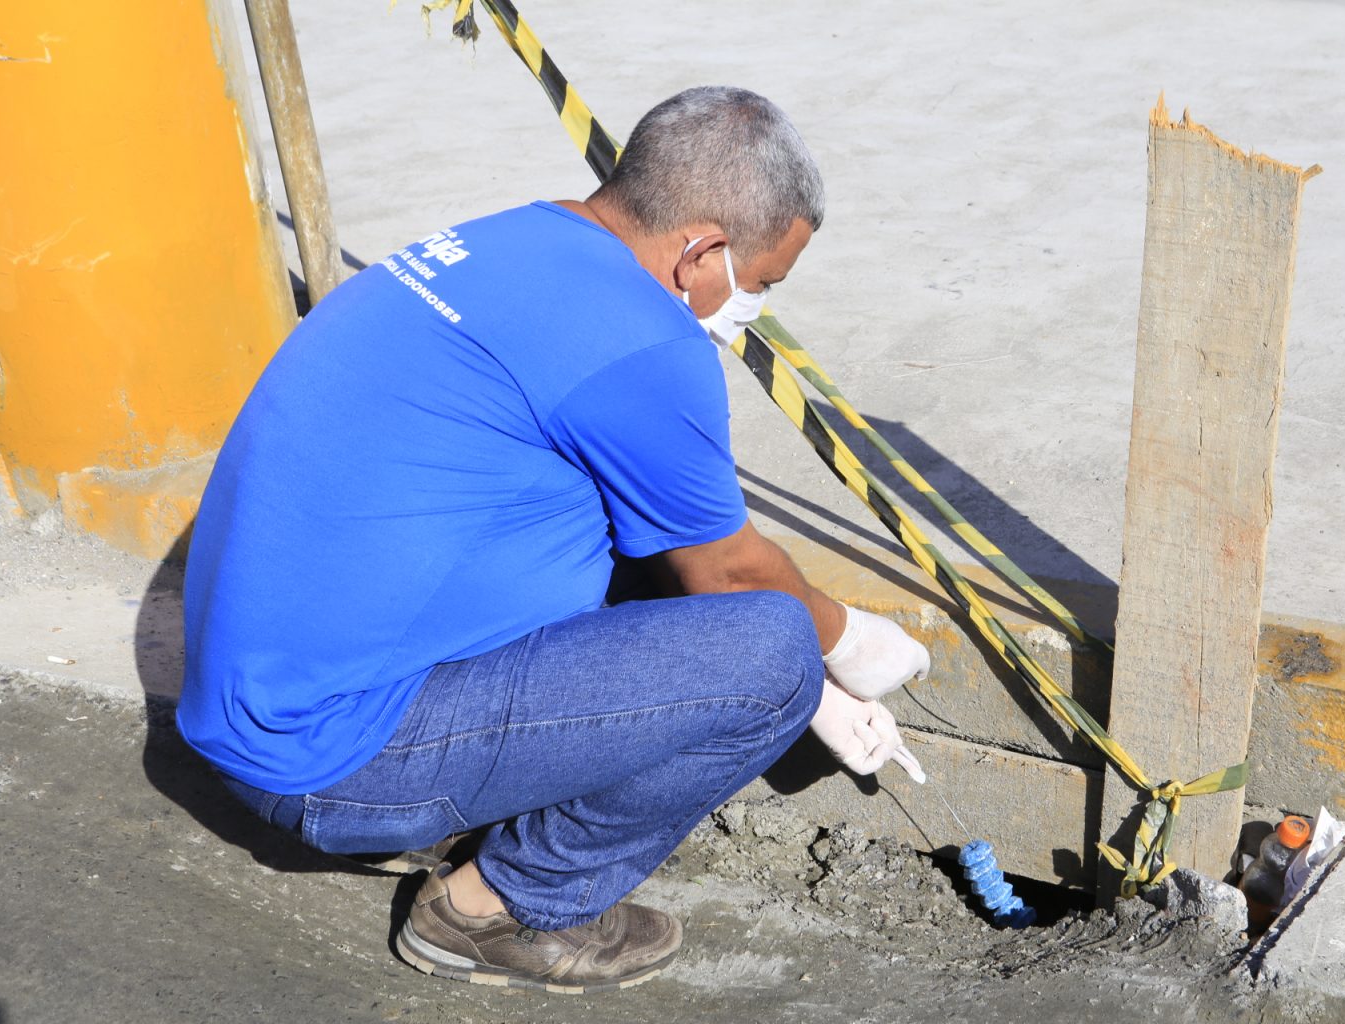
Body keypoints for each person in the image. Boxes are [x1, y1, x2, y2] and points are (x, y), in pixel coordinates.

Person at [176, 85, 930, 994]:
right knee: (773, 649)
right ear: (702, 253)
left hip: (249, 709)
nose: (754, 311)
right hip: (329, 758)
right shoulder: (643, 343)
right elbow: (732, 576)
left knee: (630, 534)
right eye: (761, 283)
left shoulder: (508, 243)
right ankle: (505, 904)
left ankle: (455, 810)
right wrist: (844, 640)